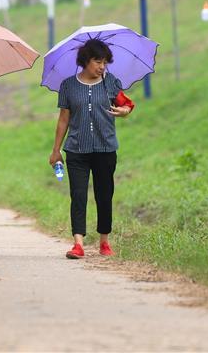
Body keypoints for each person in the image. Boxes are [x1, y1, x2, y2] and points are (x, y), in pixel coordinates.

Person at [49, 38, 134, 259]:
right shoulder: (68, 86)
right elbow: (63, 119)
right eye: (98, 61)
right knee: (78, 195)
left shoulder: (110, 82)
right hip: (76, 149)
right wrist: (56, 150)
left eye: (105, 62)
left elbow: (126, 104)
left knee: (104, 195)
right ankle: (78, 243)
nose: (102, 66)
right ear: (85, 60)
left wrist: (125, 111)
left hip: (105, 148)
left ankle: (104, 242)